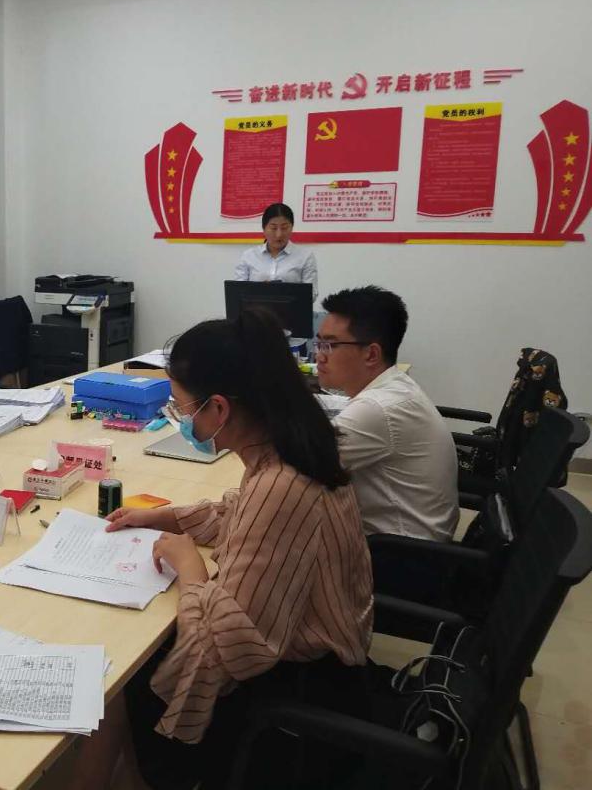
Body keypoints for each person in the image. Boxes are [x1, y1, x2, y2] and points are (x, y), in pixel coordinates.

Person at [69, 311, 373, 790]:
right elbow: (237, 515)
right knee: (130, 664)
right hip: (316, 666)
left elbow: (225, 646)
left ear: (219, 409)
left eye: (181, 409)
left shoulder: (281, 484)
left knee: (118, 676)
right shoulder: (289, 450)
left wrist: (190, 565)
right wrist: (164, 517)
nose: (181, 420)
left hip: (299, 694)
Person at [315, 286, 459, 542]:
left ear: (371, 354)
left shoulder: (378, 408)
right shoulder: (394, 386)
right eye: (319, 343)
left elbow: (300, 468)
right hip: (413, 540)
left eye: (330, 345)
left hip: (400, 553)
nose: (319, 356)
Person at [235, 202, 318, 300]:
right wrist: (259, 291)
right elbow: (238, 292)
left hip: (292, 309)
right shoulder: (249, 256)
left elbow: (311, 294)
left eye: (284, 228)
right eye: (273, 228)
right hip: (256, 309)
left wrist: (282, 292)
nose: (279, 234)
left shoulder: (305, 256)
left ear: (292, 227)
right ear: (264, 228)